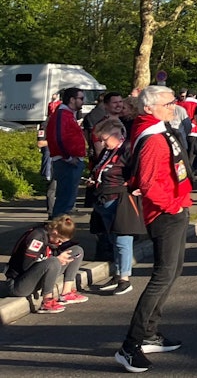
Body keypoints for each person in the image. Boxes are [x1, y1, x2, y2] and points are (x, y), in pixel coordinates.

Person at [115, 85, 193, 372]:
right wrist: (173, 205)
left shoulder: (158, 128)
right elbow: (147, 184)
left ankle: (149, 332)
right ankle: (130, 345)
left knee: (173, 271)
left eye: (173, 101)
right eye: (168, 102)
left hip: (175, 207)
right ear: (149, 108)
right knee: (162, 276)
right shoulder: (151, 138)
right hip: (164, 213)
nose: (174, 106)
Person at [1, 214, 87, 313]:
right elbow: (26, 266)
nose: (59, 244)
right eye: (59, 240)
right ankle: (47, 301)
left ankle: (66, 293)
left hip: (38, 276)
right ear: (55, 232)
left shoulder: (51, 238)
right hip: (18, 283)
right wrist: (57, 259)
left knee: (77, 251)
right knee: (54, 261)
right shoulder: (37, 237)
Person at [89, 117, 136, 296]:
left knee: (122, 239)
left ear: (116, 135)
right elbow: (100, 168)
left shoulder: (127, 149)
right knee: (112, 238)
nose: (101, 142)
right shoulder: (108, 151)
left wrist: (133, 186)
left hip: (119, 198)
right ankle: (117, 274)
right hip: (104, 197)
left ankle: (125, 278)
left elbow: (137, 170)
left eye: (104, 139)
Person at [46, 87, 88, 217]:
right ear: (72, 100)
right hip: (67, 162)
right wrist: (68, 157)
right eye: (80, 98)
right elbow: (58, 138)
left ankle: (61, 231)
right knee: (65, 200)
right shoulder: (61, 115)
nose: (83, 102)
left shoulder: (67, 115)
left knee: (68, 199)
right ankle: (58, 231)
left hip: (71, 161)